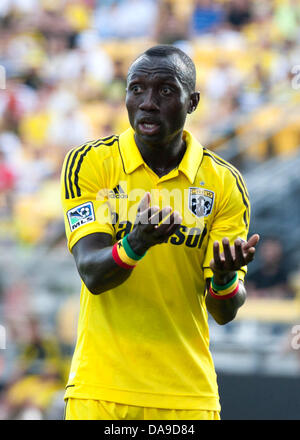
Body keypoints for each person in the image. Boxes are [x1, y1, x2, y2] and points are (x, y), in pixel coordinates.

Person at [61, 45, 259, 420]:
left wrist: (224, 278)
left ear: (193, 102)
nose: (147, 102)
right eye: (136, 89)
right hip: (101, 391)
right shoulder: (89, 163)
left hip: (187, 398)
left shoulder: (225, 184)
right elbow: (92, 273)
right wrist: (137, 242)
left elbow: (225, 312)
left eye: (166, 91)